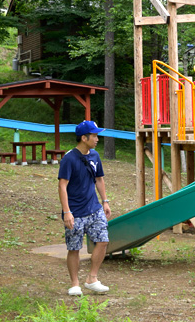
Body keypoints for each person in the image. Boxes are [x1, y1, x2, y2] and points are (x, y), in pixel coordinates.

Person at [58, 120, 111, 296]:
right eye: (94, 135)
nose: (97, 139)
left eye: (97, 135)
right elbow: (62, 185)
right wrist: (67, 212)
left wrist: (105, 201)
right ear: (84, 137)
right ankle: (75, 284)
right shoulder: (69, 158)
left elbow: (99, 179)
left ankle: (92, 279)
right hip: (75, 212)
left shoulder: (95, 156)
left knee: (103, 241)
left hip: (94, 208)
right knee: (74, 248)